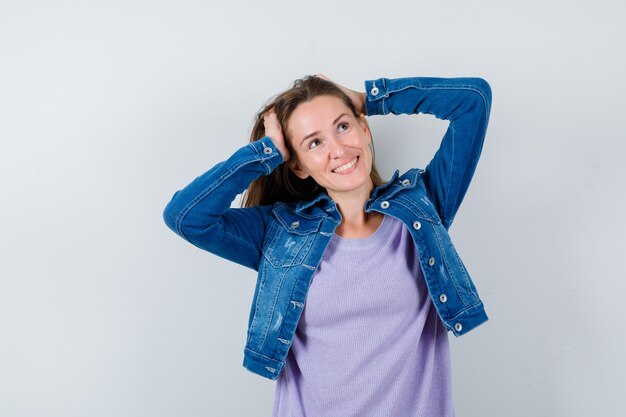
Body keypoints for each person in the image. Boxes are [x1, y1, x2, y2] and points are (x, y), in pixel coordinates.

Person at [163, 74, 492, 416]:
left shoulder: (423, 211)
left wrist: (369, 99)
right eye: (314, 143)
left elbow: (473, 100)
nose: (338, 149)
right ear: (298, 165)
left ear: (365, 129)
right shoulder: (280, 235)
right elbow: (185, 216)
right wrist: (266, 152)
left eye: (343, 126)